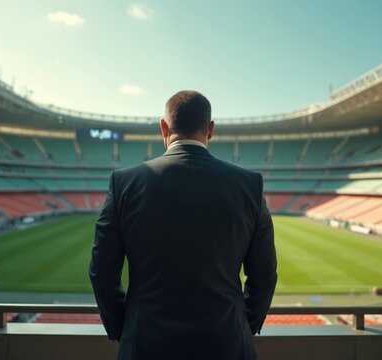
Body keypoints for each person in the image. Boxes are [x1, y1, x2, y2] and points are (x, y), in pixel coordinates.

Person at [89, 90, 277, 360]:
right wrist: (240, 325)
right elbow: (265, 276)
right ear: (210, 130)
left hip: (146, 344)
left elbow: (101, 272)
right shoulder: (250, 185)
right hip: (227, 343)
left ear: (163, 127)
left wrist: (126, 328)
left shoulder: (125, 183)